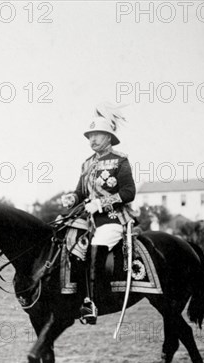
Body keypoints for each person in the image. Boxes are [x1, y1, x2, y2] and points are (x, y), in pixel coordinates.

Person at [61, 104, 136, 324]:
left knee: (96, 248)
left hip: (112, 219)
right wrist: (71, 198)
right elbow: (79, 192)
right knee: (69, 245)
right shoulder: (86, 164)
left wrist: (102, 203)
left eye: (97, 135)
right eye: (90, 136)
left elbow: (128, 192)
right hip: (88, 219)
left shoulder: (120, 160)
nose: (92, 140)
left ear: (109, 137)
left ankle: (92, 303)